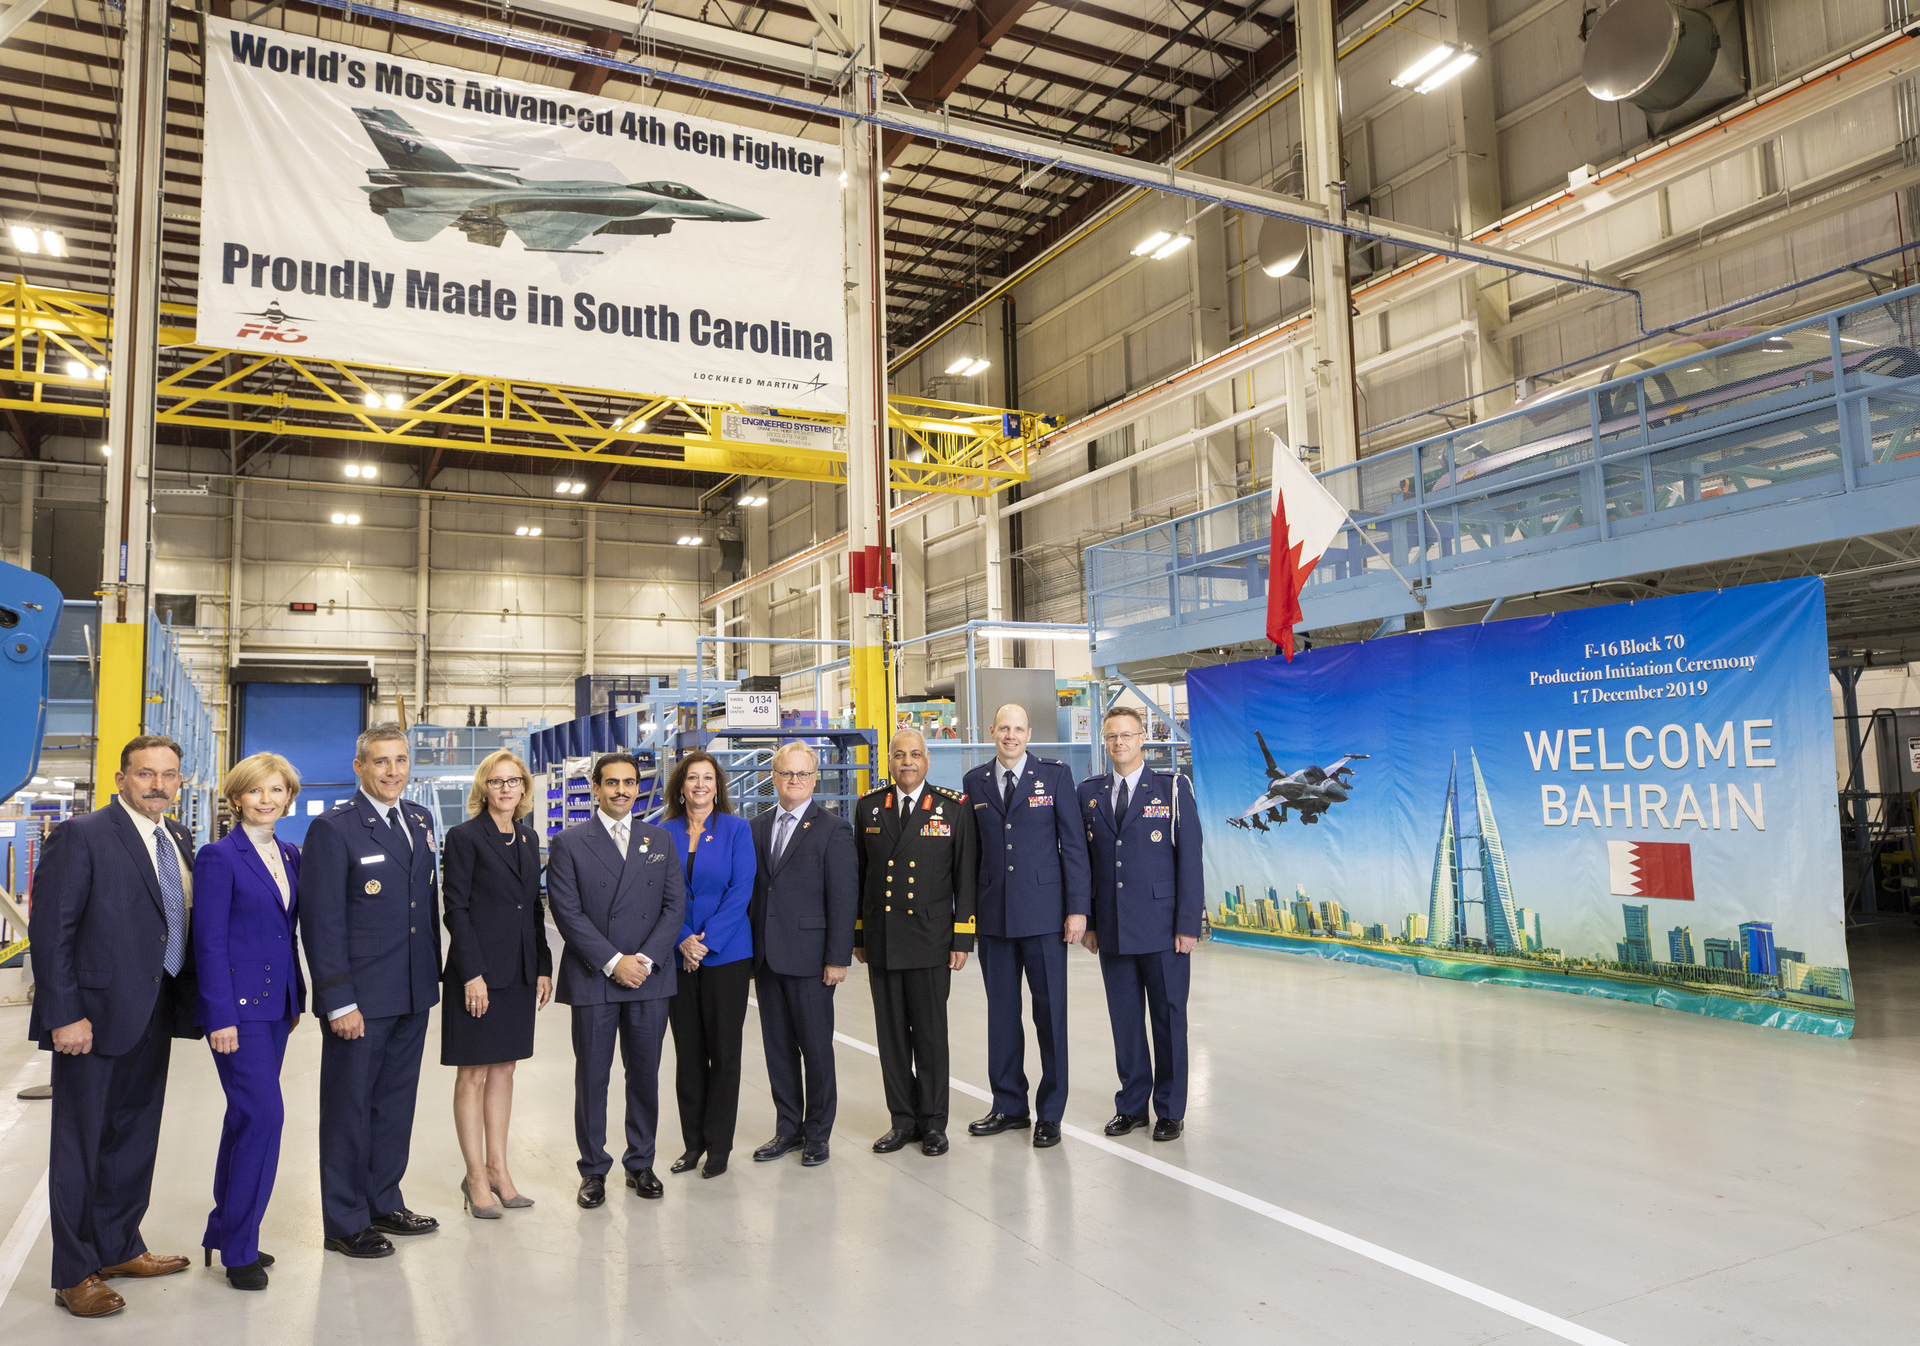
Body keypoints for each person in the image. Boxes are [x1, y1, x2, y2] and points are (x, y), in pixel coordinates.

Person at [28, 735, 202, 1317]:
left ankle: (120, 1244)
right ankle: (74, 1273)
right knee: (80, 1145)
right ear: (123, 777)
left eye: (168, 774)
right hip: (93, 1018)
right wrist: (64, 1014)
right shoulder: (82, 836)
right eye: (146, 773)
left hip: (155, 1007)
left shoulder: (178, 837)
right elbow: (52, 933)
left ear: (180, 781)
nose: (158, 784)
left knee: (134, 1135)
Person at [298, 723, 443, 1259]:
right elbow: (322, 923)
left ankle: (383, 1200)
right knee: (348, 1109)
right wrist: (338, 1000)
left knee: (394, 1105)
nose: (392, 772)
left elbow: (424, 906)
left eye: (400, 760)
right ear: (359, 767)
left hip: (412, 990)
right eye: (381, 762)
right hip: (360, 998)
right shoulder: (335, 830)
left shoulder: (419, 819)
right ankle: (344, 1220)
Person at [546, 752, 684, 1209]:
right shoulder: (570, 842)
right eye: (611, 783)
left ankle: (641, 1162)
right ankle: (593, 1169)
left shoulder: (660, 839)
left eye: (629, 782)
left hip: (648, 976)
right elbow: (566, 911)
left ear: (638, 787)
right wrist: (612, 961)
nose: (621, 790)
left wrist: (641, 960)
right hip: (594, 976)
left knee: (644, 1073)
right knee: (593, 1077)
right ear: (597, 788)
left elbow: (673, 907)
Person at [193, 752, 305, 1291]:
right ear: (237, 797)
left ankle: (224, 1228)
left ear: (289, 797)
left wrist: (295, 997)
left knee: (243, 1119)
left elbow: (287, 931)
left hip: (277, 1007)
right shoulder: (218, 856)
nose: (267, 800)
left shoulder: (288, 853)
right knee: (264, 1117)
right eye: (256, 791)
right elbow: (208, 940)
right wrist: (220, 1014)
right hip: (237, 1013)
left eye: (277, 791)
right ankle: (239, 1248)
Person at [961, 703, 1091, 1150]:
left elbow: (1074, 846)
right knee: (1001, 1016)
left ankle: (1050, 1112)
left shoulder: (1054, 776)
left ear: (1029, 733)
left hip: (1044, 917)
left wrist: (1078, 909)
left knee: (1049, 1014)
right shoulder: (974, 781)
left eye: (1018, 729)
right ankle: (1009, 1105)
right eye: (1004, 728)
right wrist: (969, 918)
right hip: (994, 917)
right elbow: (971, 856)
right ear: (992, 731)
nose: (1011, 736)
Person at [1076, 705, 1205, 1142]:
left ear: (1142, 739)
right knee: (1125, 1021)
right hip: (1112, 927)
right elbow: (1084, 865)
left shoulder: (1171, 788)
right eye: (1111, 737)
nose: (1119, 744)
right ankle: (1132, 1106)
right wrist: (1089, 920)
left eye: (1127, 736)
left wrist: (1188, 923)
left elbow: (1190, 858)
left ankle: (1169, 1109)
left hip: (1163, 927)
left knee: (1168, 1018)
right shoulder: (1089, 793)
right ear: (1104, 742)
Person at [853, 729, 977, 1157]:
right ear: (889, 760)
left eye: (916, 754)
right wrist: (858, 935)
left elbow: (965, 878)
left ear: (928, 760)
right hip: (883, 939)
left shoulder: (952, 807)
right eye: (899, 755)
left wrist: (962, 937)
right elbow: (861, 878)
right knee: (890, 1038)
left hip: (930, 939)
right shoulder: (870, 806)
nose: (907, 762)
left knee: (929, 1036)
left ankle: (934, 1123)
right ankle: (902, 1120)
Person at [440, 749, 553, 1218]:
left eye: (514, 781)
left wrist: (544, 964)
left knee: (505, 1069)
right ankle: (474, 1177)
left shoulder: (528, 840)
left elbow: (533, 908)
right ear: (484, 788)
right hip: (480, 973)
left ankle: (499, 1170)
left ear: (524, 788)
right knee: (475, 1073)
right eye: (497, 781)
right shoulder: (464, 838)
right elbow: (456, 909)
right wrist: (472, 973)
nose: (506, 788)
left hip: (520, 971)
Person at [748, 742, 856, 1168]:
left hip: (812, 959)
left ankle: (817, 1134)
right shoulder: (754, 827)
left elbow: (843, 898)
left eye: (802, 774)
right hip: (768, 958)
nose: (794, 781)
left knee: (815, 1048)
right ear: (773, 777)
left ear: (814, 778)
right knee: (777, 1049)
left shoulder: (833, 829)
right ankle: (787, 1129)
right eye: (786, 774)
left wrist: (837, 958)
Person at [660, 751, 756, 1179]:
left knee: (724, 1052)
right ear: (680, 786)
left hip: (727, 955)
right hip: (677, 956)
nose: (700, 785)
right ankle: (692, 1144)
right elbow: (658, 893)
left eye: (707, 778)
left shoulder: (737, 829)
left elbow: (742, 888)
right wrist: (682, 939)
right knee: (688, 1054)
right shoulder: (662, 833)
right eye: (692, 778)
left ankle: (719, 1146)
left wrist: (707, 942)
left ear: (718, 786)